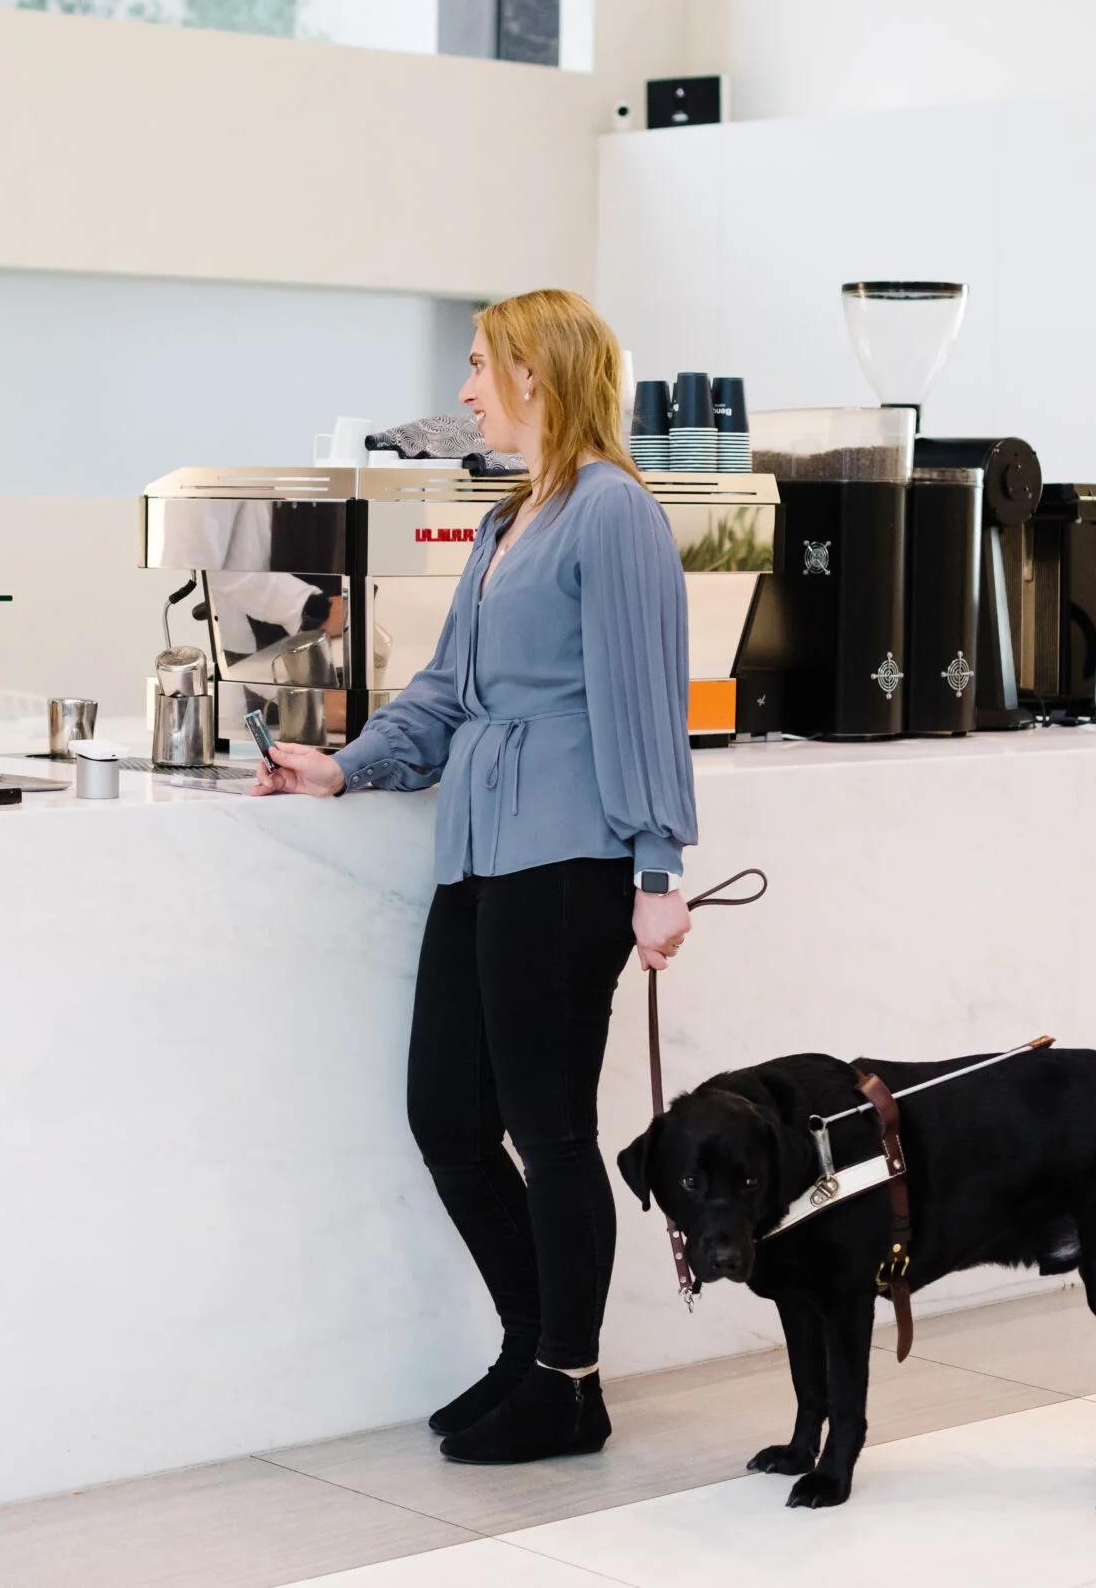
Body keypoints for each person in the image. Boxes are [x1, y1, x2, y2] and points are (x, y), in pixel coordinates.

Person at [252, 289, 696, 1465]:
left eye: (476, 368)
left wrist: (659, 865)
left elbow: (644, 702)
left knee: (549, 1131)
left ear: (536, 376)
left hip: (571, 856)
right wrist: (343, 769)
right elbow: (448, 690)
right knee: (446, 1114)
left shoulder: (613, 515)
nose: (460, 393)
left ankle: (569, 1384)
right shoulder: (509, 522)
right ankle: (529, 1346)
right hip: (481, 852)